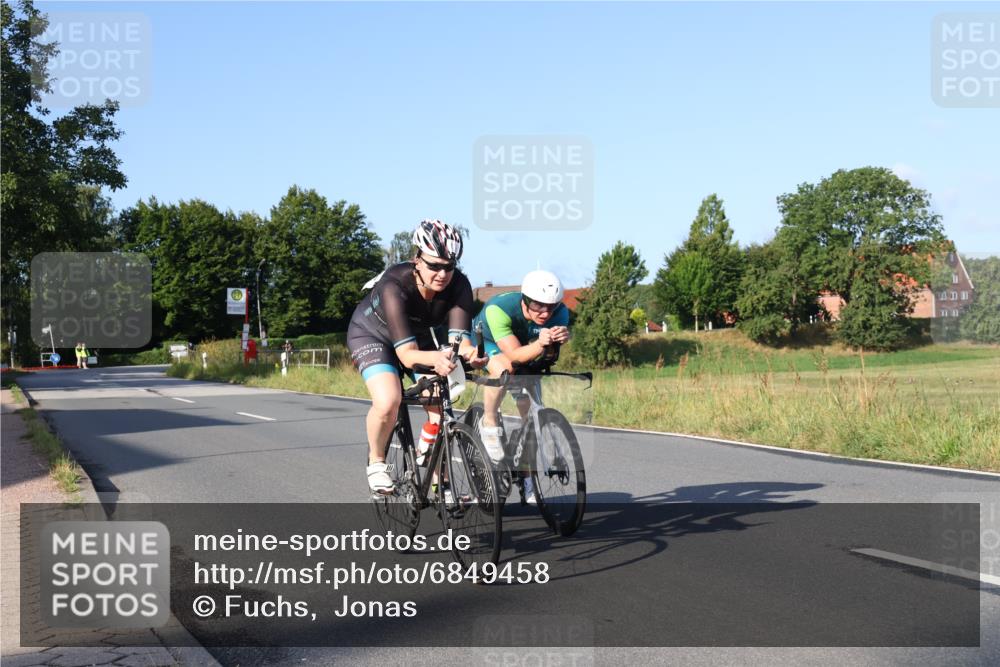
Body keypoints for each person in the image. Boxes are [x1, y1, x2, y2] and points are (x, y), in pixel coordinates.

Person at [347, 219, 486, 494]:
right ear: (417, 260)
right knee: (389, 401)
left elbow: (460, 343)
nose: (442, 274)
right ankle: (376, 463)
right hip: (372, 336)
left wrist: (472, 355)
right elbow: (408, 357)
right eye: (434, 265)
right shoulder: (394, 285)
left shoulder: (459, 286)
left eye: (449, 266)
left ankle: (437, 480)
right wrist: (437, 359)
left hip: (415, 335)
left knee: (439, 403)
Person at [471, 270, 570, 502]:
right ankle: (489, 419)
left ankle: (527, 478)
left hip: (526, 346)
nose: (545, 313)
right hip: (488, 342)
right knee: (505, 370)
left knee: (532, 412)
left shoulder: (561, 314)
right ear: (525, 299)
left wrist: (556, 344)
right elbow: (514, 355)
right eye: (538, 306)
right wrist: (540, 344)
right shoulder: (499, 309)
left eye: (551, 307)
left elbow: (547, 357)